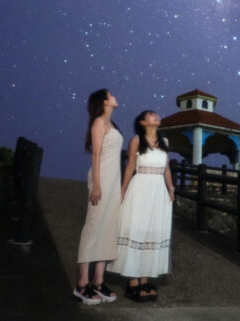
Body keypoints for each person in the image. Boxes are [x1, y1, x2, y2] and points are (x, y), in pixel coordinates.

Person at [109, 110, 175, 302]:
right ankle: (132, 282)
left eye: (157, 115)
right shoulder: (136, 140)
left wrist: (171, 188)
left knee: (152, 232)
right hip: (140, 189)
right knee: (137, 230)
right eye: (152, 115)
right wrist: (122, 192)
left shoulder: (165, 142)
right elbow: (130, 167)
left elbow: (167, 168)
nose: (157, 116)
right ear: (143, 122)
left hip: (158, 191)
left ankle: (144, 279)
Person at [73, 88, 123, 305]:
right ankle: (82, 284)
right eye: (111, 95)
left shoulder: (112, 124)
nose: (115, 96)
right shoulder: (99, 123)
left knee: (107, 228)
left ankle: (98, 281)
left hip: (113, 182)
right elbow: (96, 155)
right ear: (104, 102)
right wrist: (96, 186)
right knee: (93, 228)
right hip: (101, 180)